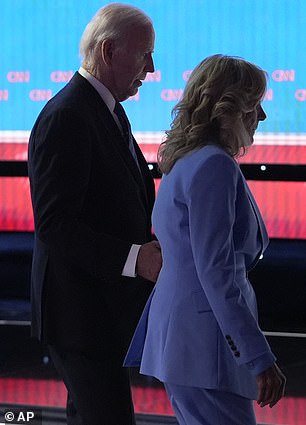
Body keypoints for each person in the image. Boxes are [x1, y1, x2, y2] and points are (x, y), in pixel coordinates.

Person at [124, 54, 286, 425]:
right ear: (228, 108)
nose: (260, 117)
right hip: (204, 349)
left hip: (187, 346)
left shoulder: (187, 161)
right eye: (254, 104)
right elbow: (216, 273)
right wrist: (258, 357)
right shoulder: (214, 165)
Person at [27, 3, 162, 425]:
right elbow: (57, 227)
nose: (152, 67)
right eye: (145, 54)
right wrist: (133, 258)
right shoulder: (68, 115)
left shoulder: (104, 108)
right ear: (108, 51)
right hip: (78, 318)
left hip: (99, 314)